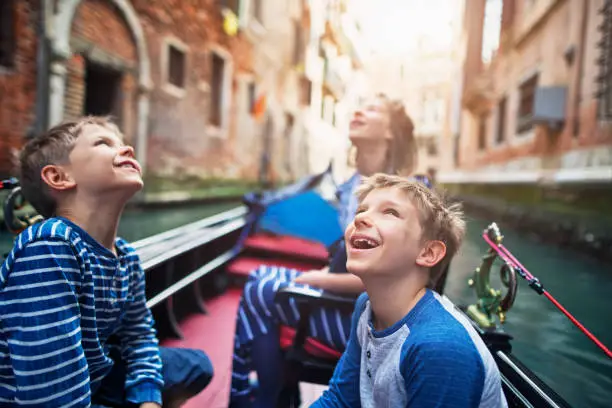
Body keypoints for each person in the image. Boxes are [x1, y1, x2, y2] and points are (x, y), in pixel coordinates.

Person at [0, 117, 213, 408]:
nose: (127, 149)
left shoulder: (125, 256)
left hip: (93, 375)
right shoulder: (49, 249)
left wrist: (149, 400)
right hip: (37, 396)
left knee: (195, 365)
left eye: (123, 142)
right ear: (60, 178)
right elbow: (51, 396)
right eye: (104, 143)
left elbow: (138, 335)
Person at [229, 94, 422, 408]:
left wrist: (316, 280)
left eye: (371, 107)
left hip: (368, 321)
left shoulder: (401, 194)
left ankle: (260, 399)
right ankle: (264, 394)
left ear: (390, 132)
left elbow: (382, 281)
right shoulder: (355, 186)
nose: (358, 110)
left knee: (261, 289)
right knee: (259, 280)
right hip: (346, 302)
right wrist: (319, 276)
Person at [312, 174, 508, 408]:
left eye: (390, 212)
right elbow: (341, 400)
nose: (361, 218)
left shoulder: (438, 347)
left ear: (428, 253)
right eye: (360, 211)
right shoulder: (366, 307)